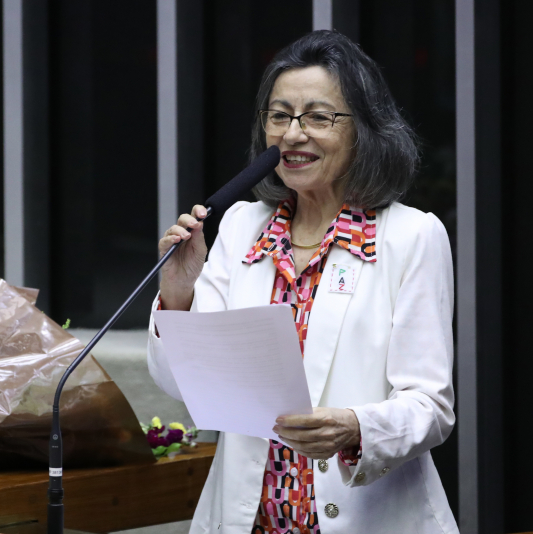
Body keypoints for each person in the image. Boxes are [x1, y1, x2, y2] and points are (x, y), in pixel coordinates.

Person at [147, 31, 457, 534]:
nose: (293, 134)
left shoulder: (412, 236)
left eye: (318, 117)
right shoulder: (242, 228)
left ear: (366, 130)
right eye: (279, 115)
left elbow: (430, 407)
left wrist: (356, 426)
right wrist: (178, 295)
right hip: (248, 521)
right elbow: (183, 388)